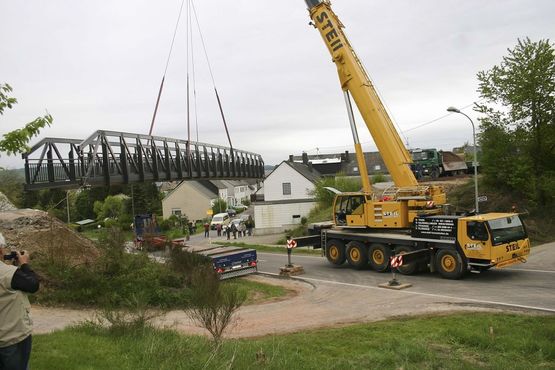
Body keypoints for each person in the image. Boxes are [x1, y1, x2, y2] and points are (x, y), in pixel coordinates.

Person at [0, 233, 40, 370]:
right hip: (11, 338)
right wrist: (24, 265)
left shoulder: (8, 273)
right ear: (0, 250)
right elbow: (33, 284)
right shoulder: (7, 273)